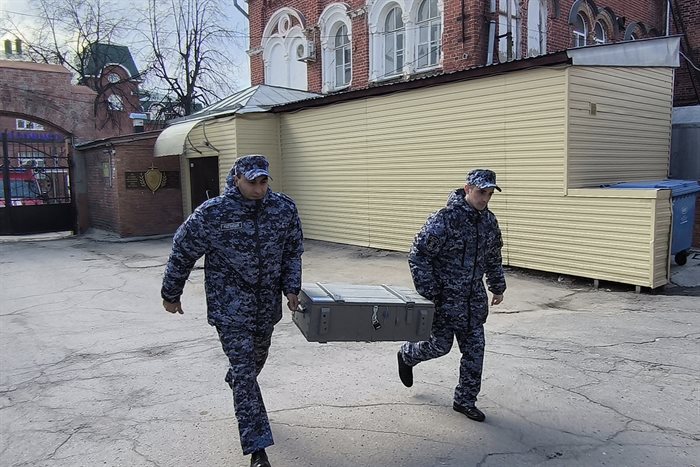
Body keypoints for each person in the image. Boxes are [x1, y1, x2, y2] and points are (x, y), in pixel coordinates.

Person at [161, 155, 303, 467]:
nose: (259, 188)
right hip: (230, 308)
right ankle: (257, 450)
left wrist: (292, 287)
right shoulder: (213, 213)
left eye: (263, 181)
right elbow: (182, 251)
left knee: (255, 362)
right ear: (236, 179)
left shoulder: (283, 208)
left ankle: (239, 383)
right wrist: (171, 292)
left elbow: (292, 251)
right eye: (252, 182)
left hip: (266, 308)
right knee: (244, 372)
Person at [397, 168, 506, 422]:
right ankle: (407, 355)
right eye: (481, 192)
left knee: (475, 351)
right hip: (444, 301)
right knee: (439, 346)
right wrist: (430, 292)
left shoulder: (489, 222)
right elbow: (418, 256)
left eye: (490, 194)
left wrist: (497, 286)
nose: (485, 199)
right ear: (467, 189)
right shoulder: (445, 219)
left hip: (473, 301)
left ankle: (465, 401)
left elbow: (493, 257)